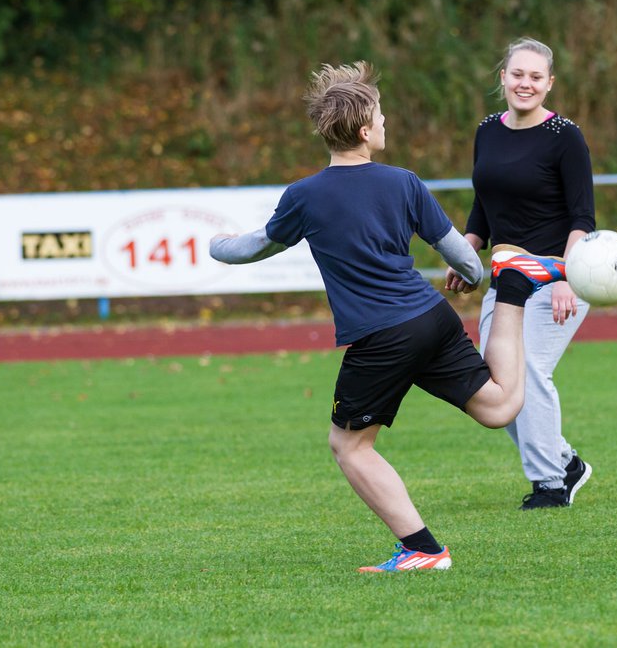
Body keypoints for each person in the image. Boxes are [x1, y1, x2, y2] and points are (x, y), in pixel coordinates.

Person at [210, 61, 568, 571]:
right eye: (380, 116)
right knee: (498, 409)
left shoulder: (304, 195)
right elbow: (464, 260)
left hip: (382, 336)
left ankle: (423, 550)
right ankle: (515, 288)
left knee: (349, 447)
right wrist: (483, 278)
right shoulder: (404, 182)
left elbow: (252, 249)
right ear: (363, 130)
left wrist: (215, 245)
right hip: (431, 316)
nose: (385, 123)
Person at [444, 37, 597, 510]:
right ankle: (566, 461)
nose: (524, 83)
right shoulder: (487, 131)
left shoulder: (565, 137)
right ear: (503, 78)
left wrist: (569, 278)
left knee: (528, 371)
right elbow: (484, 204)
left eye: (535, 76)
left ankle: (551, 482)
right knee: (497, 379)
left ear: (549, 83)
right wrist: (467, 249)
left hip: (558, 274)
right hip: (508, 277)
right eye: (517, 74)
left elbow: (582, 218)